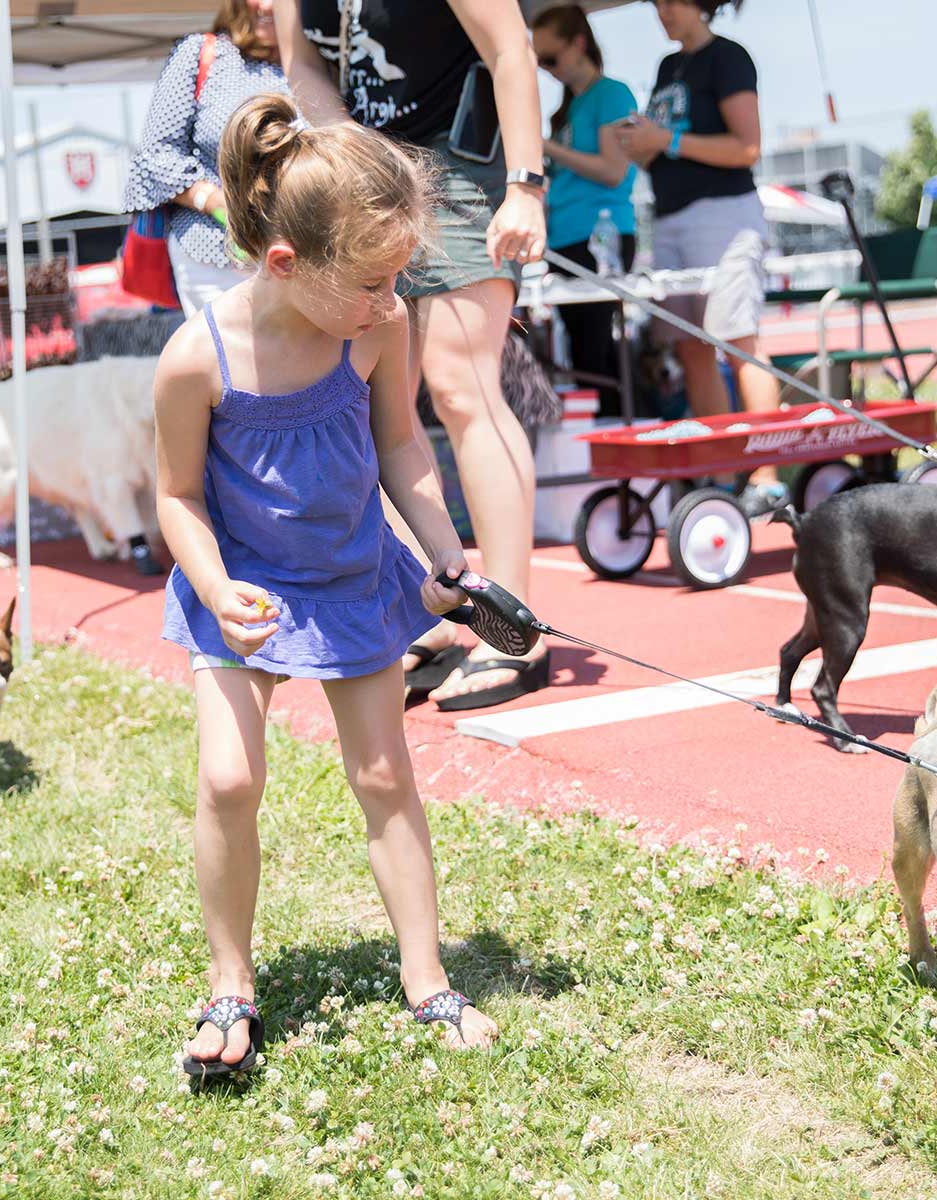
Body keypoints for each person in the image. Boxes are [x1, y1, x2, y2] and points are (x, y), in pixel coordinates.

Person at [155, 95, 498, 1072]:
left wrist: (440, 550)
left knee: (385, 775)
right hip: (241, 591)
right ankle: (229, 990)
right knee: (227, 779)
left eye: (399, 278)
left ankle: (427, 982)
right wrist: (217, 589)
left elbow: (402, 447)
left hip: (352, 577)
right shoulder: (196, 359)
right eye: (374, 282)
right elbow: (175, 496)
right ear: (283, 264)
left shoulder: (375, 331)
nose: (392, 300)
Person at [274, 0, 553, 711]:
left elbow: (511, 47)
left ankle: (511, 628)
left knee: (462, 385)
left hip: (465, 168)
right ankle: (431, 610)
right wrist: (351, 156)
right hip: (373, 176)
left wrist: (526, 186)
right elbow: (302, 63)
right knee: (380, 401)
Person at [611, 0, 784, 516]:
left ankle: (769, 478)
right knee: (689, 347)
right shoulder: (669, 67)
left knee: (739, 340)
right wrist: (641, 143)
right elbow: (666, 144)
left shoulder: (728, 57)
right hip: (669, 216)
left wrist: (666, 138)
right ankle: (723, 472)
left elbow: (746, 148)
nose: (661, 10)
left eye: (670, 0)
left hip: (724, 215)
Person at [125, 0, 291, 314]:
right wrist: (215, 202)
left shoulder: (319, 64)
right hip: (213, 256)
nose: (268, 5)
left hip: (301, 255)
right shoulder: (202, 54)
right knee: (225, 359)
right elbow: (155, 157)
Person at [531, 5, 638, 414]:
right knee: (581, 351)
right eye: (539, 61)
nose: (546, 69)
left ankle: (617, 431)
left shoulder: (611, 94)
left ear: (579, 44)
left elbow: (613, 171)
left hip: (599, 236)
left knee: (595, 351)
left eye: (551, 58)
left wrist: (546, 146)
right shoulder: (570, 108)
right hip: (566, 238)